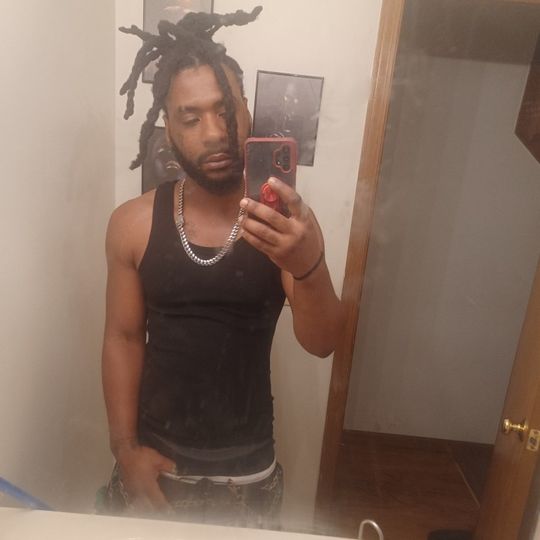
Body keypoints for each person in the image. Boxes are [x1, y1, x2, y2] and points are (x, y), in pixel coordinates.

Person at [101, 6, 342, 528]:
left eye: (225, 110)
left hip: (249, 471)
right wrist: (125, 450)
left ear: (247, 112)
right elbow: (122, 337)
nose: (214, 132)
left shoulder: (289, 226)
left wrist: (308, 266)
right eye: (190, 118)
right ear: (168, 128)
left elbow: (323, 343)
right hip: (154, 461)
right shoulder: (132, 224)